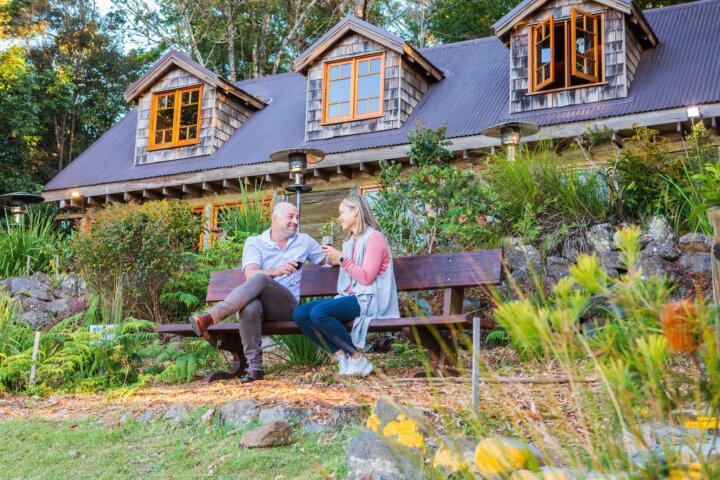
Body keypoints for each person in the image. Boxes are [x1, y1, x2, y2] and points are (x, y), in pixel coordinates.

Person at [189, 201, 326, 383]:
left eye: (297, 218)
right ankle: (255, 369)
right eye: (290, 217)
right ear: (274, 219)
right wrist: (276, 270)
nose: (295, 221)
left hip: (287, 307)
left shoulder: (304, 241)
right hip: (262, 309)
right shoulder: (255, 242)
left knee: (262, 279)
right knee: (250, 306)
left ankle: (211, 317)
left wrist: (343, 256)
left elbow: (325, 260)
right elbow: (250, 274)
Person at [292, 195, 399, 377]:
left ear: (356, 211)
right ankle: (342, 356)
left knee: (320, 313)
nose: (339, 217)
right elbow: (349, 266)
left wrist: (341, 258)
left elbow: (365, 278)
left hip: (370, 299)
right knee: (300, 314)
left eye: (342, 212)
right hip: (351, 296)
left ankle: (357, 358)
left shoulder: (375, 238)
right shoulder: (350, 242)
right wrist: (334, 259)